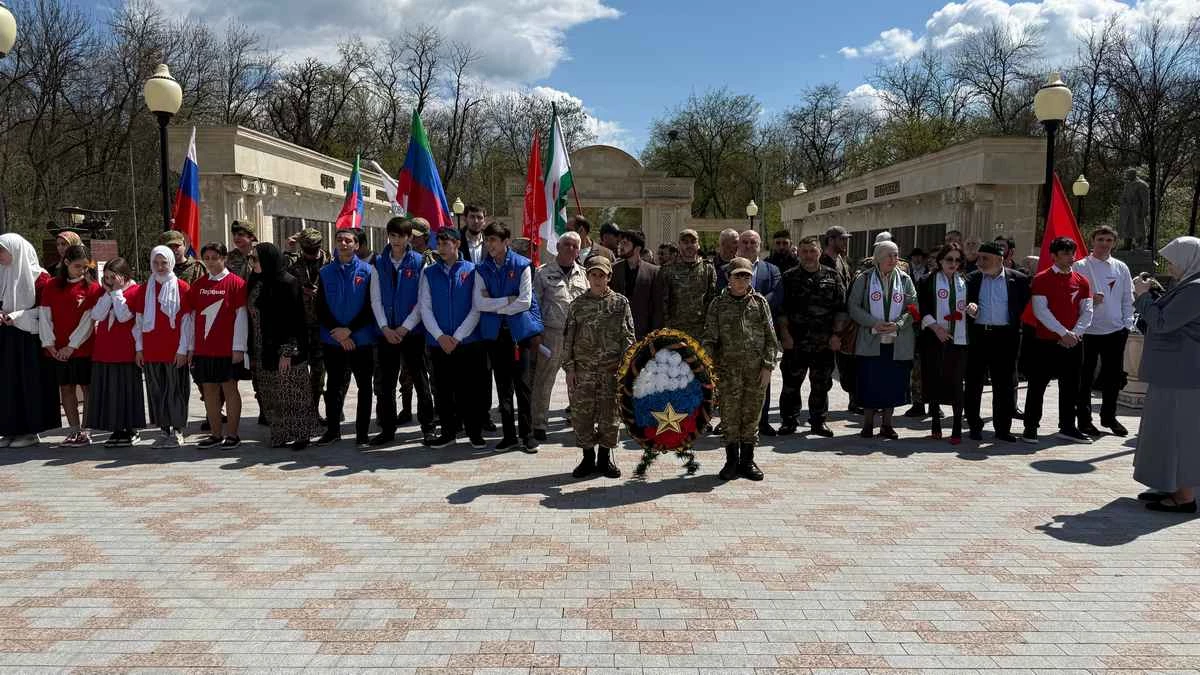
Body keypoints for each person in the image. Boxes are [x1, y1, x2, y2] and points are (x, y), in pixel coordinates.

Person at [1131, 236, 1200, 512]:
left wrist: (1143, 296)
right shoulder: (1188, 286)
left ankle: (1184, 497)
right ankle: (1171, 484)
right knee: (1164, 431)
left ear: (1189, 259)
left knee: (1179, 435)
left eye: (1173, 260)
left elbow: (1161, 323)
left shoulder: (1195, 289)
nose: (1169, 266)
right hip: (1174, 373)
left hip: (1182, 375)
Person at [703, 257, 779, 481]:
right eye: (738, 275)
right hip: (728, 373)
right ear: (729, 277)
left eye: (747, 275)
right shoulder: (718, 304)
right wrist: (708, 366)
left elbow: (770, 338)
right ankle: (731, 461)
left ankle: (748, 460)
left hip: (755, 373)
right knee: (729, 417)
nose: (743, 279)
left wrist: (767, 366)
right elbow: (709, 339)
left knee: (751, 417)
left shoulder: (759, 302)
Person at [474, 222, 544, 452]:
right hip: (495, 335)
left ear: (506, 242)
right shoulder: (482, 269)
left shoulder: (522, 265)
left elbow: (524, 301)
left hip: (518, 335)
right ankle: (509, 435)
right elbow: (479, 302)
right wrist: (507, 301)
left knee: (522, 385)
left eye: (494, 240)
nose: (489, 244)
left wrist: (495, 305)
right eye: (488, 239)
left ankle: (528, 434)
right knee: (503, 387)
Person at [563, 256, 634, 479]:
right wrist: (570, 369)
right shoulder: (578, 305)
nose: (597, 279)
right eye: (593, 275)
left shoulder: (620, 303)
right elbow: (569, 340)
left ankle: (604, 459)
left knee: (610, 417)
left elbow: (628, 337)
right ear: (588, 276)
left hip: (610, 371)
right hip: (583, 372)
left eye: (601, 275)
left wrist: (625, 369)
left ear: (609, 277)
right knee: (582, 417)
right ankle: (587, 458)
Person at [370, 217, 435, 446]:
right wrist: (385, 328)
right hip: (386, 333)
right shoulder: (378, 263)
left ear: (409, 238)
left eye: (401, 236)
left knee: (420, 380)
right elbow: (375, 298)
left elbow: (422, 300)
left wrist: (405, 327)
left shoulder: (419, 262)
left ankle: (428, 427)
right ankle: (388, 429)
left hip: (412, 332)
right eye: (392, 235)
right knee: (386, 384)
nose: (396, 240)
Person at [1024, 237, 1094, 444]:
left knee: (1071, 387)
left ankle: (1068, 427)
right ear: (1053, 256)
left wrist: (1074, 334)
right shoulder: (1041, 279)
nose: (1070, 257)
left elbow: (1087, 311)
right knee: (1037, 385)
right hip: (1046, 342)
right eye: (1064, 253)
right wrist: (1063, 332)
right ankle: (1031, 427)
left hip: (1073, 343)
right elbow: (1040, 311)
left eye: (1072, 253)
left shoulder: (1082, 281)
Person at [420, 228, 485, 449]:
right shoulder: (429, 273)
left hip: (467, 342)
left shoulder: (473, 270)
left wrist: (456, 337)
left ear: (457, 244)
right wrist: (440, 337)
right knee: (443, 389)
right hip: (439, 343)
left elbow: (477, 308)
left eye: (446, 243)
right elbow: (425, 308)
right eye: (439, 243)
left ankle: (474, 432)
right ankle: (448, 432)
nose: (441, 247)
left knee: (470, 390)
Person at [248, 243, 316, 450]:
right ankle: (279, 434)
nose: (252, 263)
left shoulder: (288, 283)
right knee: (271, 394)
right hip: (262, 347)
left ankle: (301, 435)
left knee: (292, 393)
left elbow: (295, 321)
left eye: (255, 259)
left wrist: (288, 351)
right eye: (251, 259)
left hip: (286, 348)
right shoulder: (256, 281)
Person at [847, 241, 917, 439]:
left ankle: (887, 424)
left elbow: (913, 307)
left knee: (892, 384)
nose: (894, 260)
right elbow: (853, 306)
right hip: (871, 341)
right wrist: (872, 322)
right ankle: (868, 424)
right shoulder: (865, 279)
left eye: (896, 255)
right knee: (870, 383)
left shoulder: (904, 280)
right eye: (889, 255)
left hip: (897, 342)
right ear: (878, 257)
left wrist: (899, 324)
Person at [314, 228, 378, 447]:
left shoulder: (368, 272)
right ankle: (333, 431)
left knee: (364, 387)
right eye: (340, 240)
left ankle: (362, 433)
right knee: (333, 386)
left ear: (356, 245)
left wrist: (349, 330)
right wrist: (339, 333)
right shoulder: (325, 272)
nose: (343, 244)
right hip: (333, 340)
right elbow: (320, 307)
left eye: (348, 241)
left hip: (361, 339)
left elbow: (371, 307)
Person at [778, 236, 846, 437]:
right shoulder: (789, 277)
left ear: (820, 252)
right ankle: (789, 421)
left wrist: (836, 335)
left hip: (823, 343)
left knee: (821, 384)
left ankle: (818, 421)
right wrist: (785, 335)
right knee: (791, 384)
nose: (808, 255)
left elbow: (841, 309)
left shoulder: (832, 276)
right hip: (795, 342)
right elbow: (781, 310)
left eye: (812, 251)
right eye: (805, 251)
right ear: (798, 252)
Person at [964, 241, 1028, 442]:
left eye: (985, 258)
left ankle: (1002, 429)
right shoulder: (971, 279)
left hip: (1005, 338)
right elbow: (961, 303)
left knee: (1004, 385)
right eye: (979, 257)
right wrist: (969, 309)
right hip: (978, 336)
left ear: (1000, 260)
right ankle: (974, 425)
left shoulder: (1018, 280)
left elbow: (1024, 307)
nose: (980, 262)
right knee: (974, 383)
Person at [1073, 225, 1135, 437]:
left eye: (1109, 240)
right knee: (1085, 378)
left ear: (1114, 243)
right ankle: (1084, 420)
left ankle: (1109, 417)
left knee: (1112, 378)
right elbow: (1071, 298)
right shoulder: (1080, 266)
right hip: (1088, 331)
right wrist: (1089, 299)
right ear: (1092, 241)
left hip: (1115, 331)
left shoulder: (1121, 268)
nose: (1104, 244)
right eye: (1101, 239)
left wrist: (1127, 325)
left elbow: (1128, 298)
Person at [39, 244, 102, 447]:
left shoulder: (92, 288)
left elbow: (88, 321)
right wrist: (49, 344)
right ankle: (74, 430)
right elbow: (44, 316)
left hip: (83, 349)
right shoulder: (51, 286)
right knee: (66, 388)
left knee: (87, 388)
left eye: (85, 267)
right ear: (66, 263)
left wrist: (71, 346)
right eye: (78, 266)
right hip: (57, 350)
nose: (82, 271)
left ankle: (86, 429)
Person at [0, 233, 59, 448]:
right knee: (8, 384)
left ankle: (30, 431)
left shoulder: (41, 279)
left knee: (28, 383)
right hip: (6, 338)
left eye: (2, 250)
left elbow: (43, 313)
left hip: (29, 341)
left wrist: (16, 316)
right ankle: (9, 429)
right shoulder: (2, 273)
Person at [132, 246, 194, 449]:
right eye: (156, 263)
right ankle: (163, 430)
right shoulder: (145, 289)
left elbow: (187, 322)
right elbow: (139, 322)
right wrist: (139, 349)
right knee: (156, 391)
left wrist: (183, 350)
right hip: (151, 350)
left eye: (164, 263)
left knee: (176, 390)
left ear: (171, 263)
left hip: (174, 350)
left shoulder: (182, 287)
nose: (160, 267)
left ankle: (177, 431)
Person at [188, 242, 248, 449]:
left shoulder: (237, 283)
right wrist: (190, 347)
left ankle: (232, 434)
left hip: (228, 349)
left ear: (224, 258)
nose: (211, 262)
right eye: (207, 258)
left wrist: (238, 347)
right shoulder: (198, 285)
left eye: (215, 258)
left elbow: (241, 317)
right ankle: (215, 434)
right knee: (209, 390)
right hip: (204, 349)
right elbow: (191, 317)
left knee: (230, 389)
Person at [530, 231, 588, 442]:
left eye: (575, 246)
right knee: (544, 380)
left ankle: (578, 419)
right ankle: (538, 423)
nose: (571, 249)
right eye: (567, 245)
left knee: (578, 381)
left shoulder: (584, 274)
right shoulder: (542, 273)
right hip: (551, 334)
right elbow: (534, 305)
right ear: (558, 246)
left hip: (578, 336)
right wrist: (535, 333)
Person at [86, 257, 145, 447]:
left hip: (125, 350)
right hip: (105, 350)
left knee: (126, 390)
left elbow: (124, 316)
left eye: (113, 277)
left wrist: (117, 293)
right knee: (110, 391)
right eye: (107, 277)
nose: (110, 281)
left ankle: (130, 429)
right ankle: (116, 429)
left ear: (124, 276)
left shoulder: (136, 291)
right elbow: (97, 315)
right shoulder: (107, 293)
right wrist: (108, 293)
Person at [918, 244, 969, 443]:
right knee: (935, 379)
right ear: (940, 260)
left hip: (959, 339)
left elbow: (972, 305)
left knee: (957, 382)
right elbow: (921, 306)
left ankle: (956, 427)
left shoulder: (965, 281)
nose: (953, 264)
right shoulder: (928, 280)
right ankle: (936, 424)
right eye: (949, 259)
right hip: (934, 338)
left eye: (957, 260)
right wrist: (936, 327)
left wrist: (973, 308)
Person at [736, 229, 783, 435]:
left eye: (752, 242)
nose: (748, 246)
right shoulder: (726, 268)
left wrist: (754, 305)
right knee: (734, 381)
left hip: (761, 335)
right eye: (744, 242)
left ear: (760, 245)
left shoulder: (771, 270)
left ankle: (762, 421)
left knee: (763, 378)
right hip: (734, 334)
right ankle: (732, 421)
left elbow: (776, 294)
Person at [286, 227, 334, 423]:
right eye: (307, 247)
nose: (311, 252)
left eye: (314, 247)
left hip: (324, 325)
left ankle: (314, 410)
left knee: (319, 371)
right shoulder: (293, 263)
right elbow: (283, 286)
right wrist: (300, 291)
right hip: (301, 325)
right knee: (299, 370)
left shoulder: (330, 263)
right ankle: (300, 410)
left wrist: (320, 293)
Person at [821, 226, 860, 414]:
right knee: (825, 369)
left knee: (848, 365)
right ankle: (820, 409)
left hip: (846, 323)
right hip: (828, 324)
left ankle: (854, 400)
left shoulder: (842, 260)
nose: (846, 243)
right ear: (830, 240)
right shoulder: (823, 261)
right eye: (842, 239)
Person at [661, 229, 716, 342]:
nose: (689, 245)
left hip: (701, 332)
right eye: (685, 242)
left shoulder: (708, 268)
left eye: (693, 241)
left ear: (698, 245)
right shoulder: (668, 270)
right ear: (679, 245)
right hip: (675, 331)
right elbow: (663, 303)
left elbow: (711, 300)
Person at [610, 229, 664, 339]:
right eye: (620, 243)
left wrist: (654, 335)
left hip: (643, 334)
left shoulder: (654, 272)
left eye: (625, 243)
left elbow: (658, 307)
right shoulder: (613, 269)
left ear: (637, 248)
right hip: (616, 334)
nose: (621, 246)